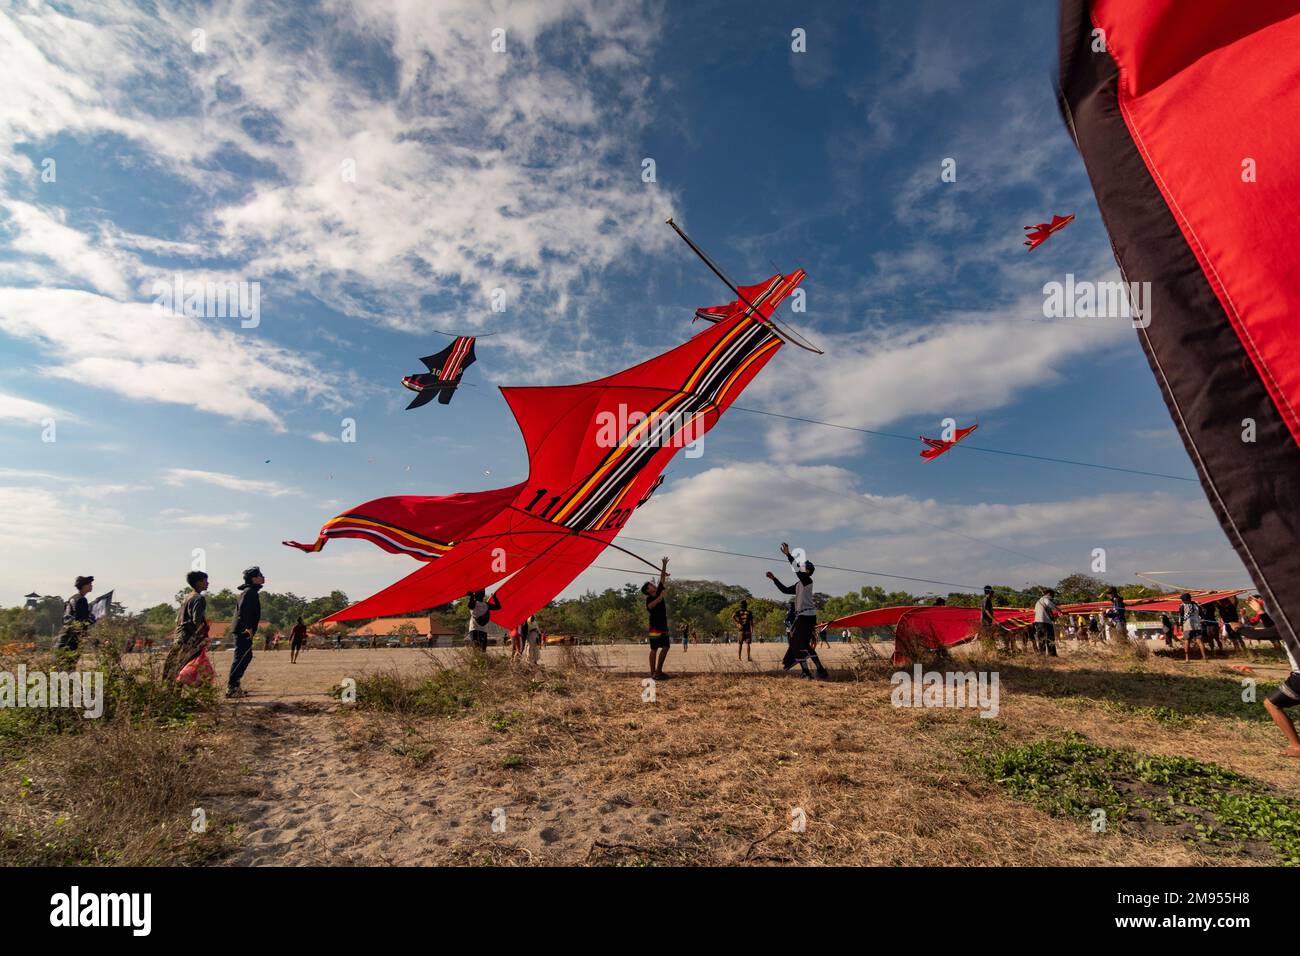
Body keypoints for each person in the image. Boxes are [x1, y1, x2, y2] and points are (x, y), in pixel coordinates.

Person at [767, 542, 828, 679]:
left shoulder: (807, 580)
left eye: (803, 566)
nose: (801, 567)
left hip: (807, 616)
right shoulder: (799, 583)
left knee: (798, 643)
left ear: (807, 570)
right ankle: (813, 671)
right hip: (803, 616)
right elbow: (784, 590)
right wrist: (774, 579)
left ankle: (814, 671)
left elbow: (797, 571)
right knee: (799, 644)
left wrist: (788, 555)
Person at [164, 571, 210, 681]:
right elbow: (196, 620)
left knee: (175, 665)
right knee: (187, 666)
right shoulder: (199, 598)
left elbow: (178, 619)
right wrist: (202, 636)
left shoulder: (187, 597)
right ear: (198, 583)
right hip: (189, 638)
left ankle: (171, 692)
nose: (208, 583)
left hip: (180, 636)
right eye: (205, 581)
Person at [1262, 624, 1300, 758]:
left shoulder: (1290, 622)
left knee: (1271, 704)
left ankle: (1297, 747)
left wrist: (1239, 629)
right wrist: (1261, 612)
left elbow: (1263, 634)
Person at [227, 566, 264, 697]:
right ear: (254, 579)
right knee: (242, 657)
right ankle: (232, 688)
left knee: (244, 656)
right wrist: (248, 627)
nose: (263, 577)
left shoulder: (251, 591)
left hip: (244, 630)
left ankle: (235, 686)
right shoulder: (249, 592)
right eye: (260, 575)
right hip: (243, 630)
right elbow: (243, 611)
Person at [53, 575, 97, 663]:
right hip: (72, 640)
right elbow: (82, 621)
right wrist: (92, 619)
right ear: (84, 586)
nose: (91, 586)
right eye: (89, 584)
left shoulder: (71, 599)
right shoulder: (81, 600)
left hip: (63, 636)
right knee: (68, 668)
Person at [642, 558, 671, 679]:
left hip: (663, 626)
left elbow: (662, 578)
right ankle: (652, 672)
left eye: (652, 584)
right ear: (648, 591)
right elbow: (650, 606)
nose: (653, 585)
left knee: (666, 647)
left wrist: (664, 565)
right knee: (654, 649)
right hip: (654, 627)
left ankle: (658, 671)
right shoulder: (649, 599)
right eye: (650, 585)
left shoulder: (659, 590)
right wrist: (660, 598)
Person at [1180, 593, 1207, 662]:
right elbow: (1202, 615)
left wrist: (1181, 625)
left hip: (1187, 625)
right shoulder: (1197, 605)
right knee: (1200, 641)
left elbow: (1181, 616)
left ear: (1184, 600)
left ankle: (1187, 658)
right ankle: (1204, 657)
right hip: (1197, 625)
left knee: (1187, 641)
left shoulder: (1182, 606)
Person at [1033, 588, 1060, 656]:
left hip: (1038, 622)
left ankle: (1042, 654)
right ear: (1049, 594)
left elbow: (1045, 611)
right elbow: (1050, 604)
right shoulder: (1045, 599)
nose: (1053, 598)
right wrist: (1058, 610)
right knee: (1050, 639)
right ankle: (1052, 655)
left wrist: (1052, 617)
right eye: (1053, 596)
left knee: (1041, 639)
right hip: (1045, 622)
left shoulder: (1038, 602)